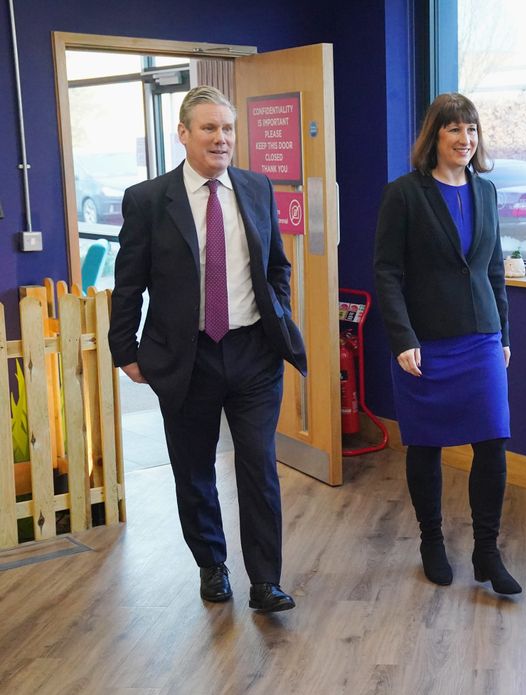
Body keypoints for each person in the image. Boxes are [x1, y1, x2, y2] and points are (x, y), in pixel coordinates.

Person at [108, 85, 306, 613]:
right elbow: (128, 284)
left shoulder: (257, 187)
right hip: (186, 357)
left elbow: (276, 268)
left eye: (228, 129)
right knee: (193, 467)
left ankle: (265, 580)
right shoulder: (149, 200)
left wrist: (277, 317)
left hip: (253, 354)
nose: (221, 139)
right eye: (209, 128)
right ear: (183, 133)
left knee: (259, 466)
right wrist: (124, 349)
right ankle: (212, 564)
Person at [374, 93, 521, 595]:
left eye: (472, 129)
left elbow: (494, 268)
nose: (466, 139)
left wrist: (502, 332)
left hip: (480, 338)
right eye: (454, 129)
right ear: (434, 137)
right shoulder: (405, 194)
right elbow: (388, 273)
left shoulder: (487, 192)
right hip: (424, 341)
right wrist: (402, 337)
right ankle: (431, 542)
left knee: (493, 443)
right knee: (426, 444)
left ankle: (486, 552)